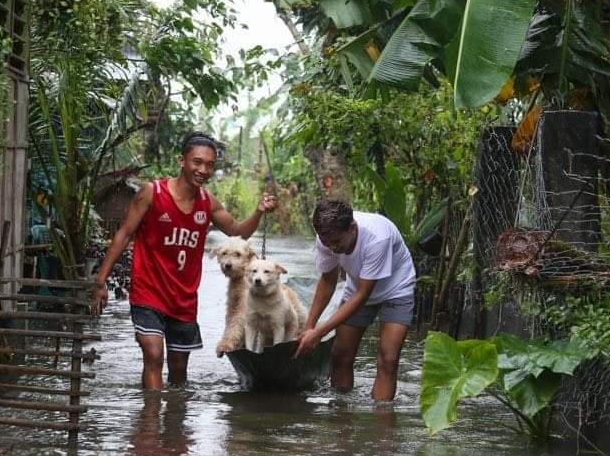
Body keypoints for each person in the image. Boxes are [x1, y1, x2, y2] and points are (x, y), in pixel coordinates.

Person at [92, 132, 276, 389]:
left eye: (210, 165)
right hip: (149, 291)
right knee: (154, 355)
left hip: (183, 297)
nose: (203, 170)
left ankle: (174, 424)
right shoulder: (152, 192)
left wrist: (258, 211)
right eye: (197, 162)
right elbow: (123, 235)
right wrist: (101, 281)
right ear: (182, 160)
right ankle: (150, 422)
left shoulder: (207, 202)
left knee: (179, 370)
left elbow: (237, 231)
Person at [295, 199, 416, 401]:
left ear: (352, 228)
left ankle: (382, 424)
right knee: (340, 355)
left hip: (396, 289)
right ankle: (342, 419)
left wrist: (319, 333)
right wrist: (309, 327)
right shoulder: (326, 237)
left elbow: (362, 296)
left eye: (337, 243)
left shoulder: (377, 237)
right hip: (358, 286)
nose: (333, 248)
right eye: (327, 243)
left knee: (388, 359)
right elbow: (327, 280)